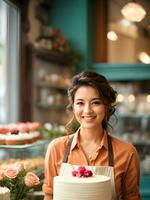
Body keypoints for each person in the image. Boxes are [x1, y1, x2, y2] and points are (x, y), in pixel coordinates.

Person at [43, 71, 141, 200]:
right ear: (73, 107)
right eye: (80, 103)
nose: (87, 110)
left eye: (96, 102)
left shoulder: (127, 152)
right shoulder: (56, 148)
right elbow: (49, 196)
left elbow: (132, 198)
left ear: (106, 106)